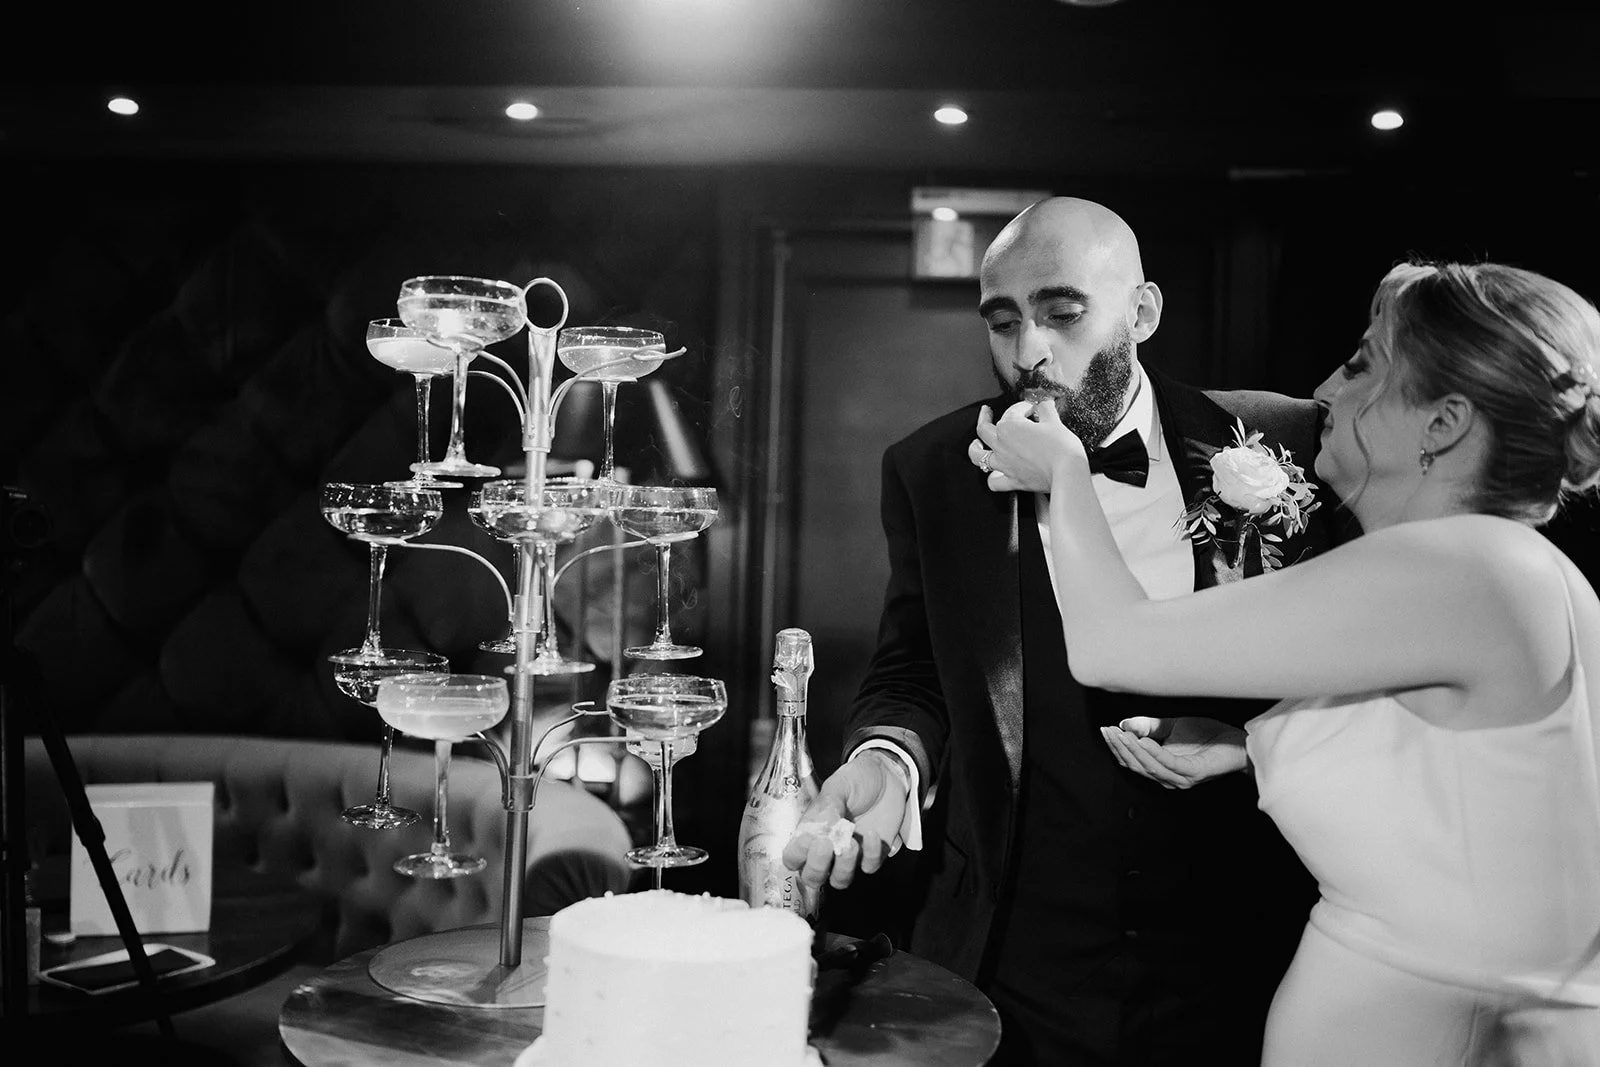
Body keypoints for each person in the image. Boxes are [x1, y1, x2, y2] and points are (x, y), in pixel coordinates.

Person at [976, 257, 1600, 1064]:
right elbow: (1456, 793)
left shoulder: (1466, 564)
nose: (1326, 389)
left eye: (1362, 365)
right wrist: (1250, 750)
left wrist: (1065, 474)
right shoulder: (1490, 570)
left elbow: (1111, 645)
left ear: (1443, 422)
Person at [783, 196, 1342, 1065]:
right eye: (1002, 320)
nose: (1028, 353)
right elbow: (913, 669)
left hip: (1242, 947)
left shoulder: (1284, 440)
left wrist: (1259, 743)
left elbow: (1352, 661)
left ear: (1142, 312)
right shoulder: (934, 468)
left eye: (1062, 312)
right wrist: (887, 760)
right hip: (1016, 957)